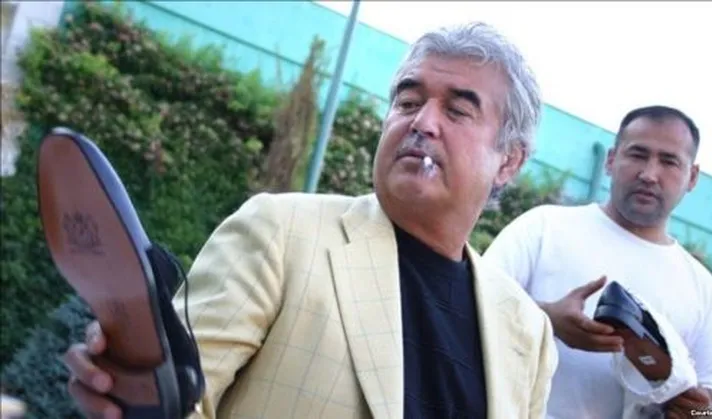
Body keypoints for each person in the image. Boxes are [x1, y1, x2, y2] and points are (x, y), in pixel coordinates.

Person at [62, 22, 558, 419]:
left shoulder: (527, 331)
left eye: (457, 111)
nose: (422, 122)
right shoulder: (280, 232)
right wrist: (131, 390)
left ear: (509, 161)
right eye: (408, 102)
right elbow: (177, 401)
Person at [482, 105, 712, 418]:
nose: (649, 174)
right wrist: (546, 319)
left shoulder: (701, 287)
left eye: (669, 161)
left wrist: (700, 408)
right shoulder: (543, 228)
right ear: (611, 160)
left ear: (692, 177)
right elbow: (470, 305)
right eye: (638, 154)